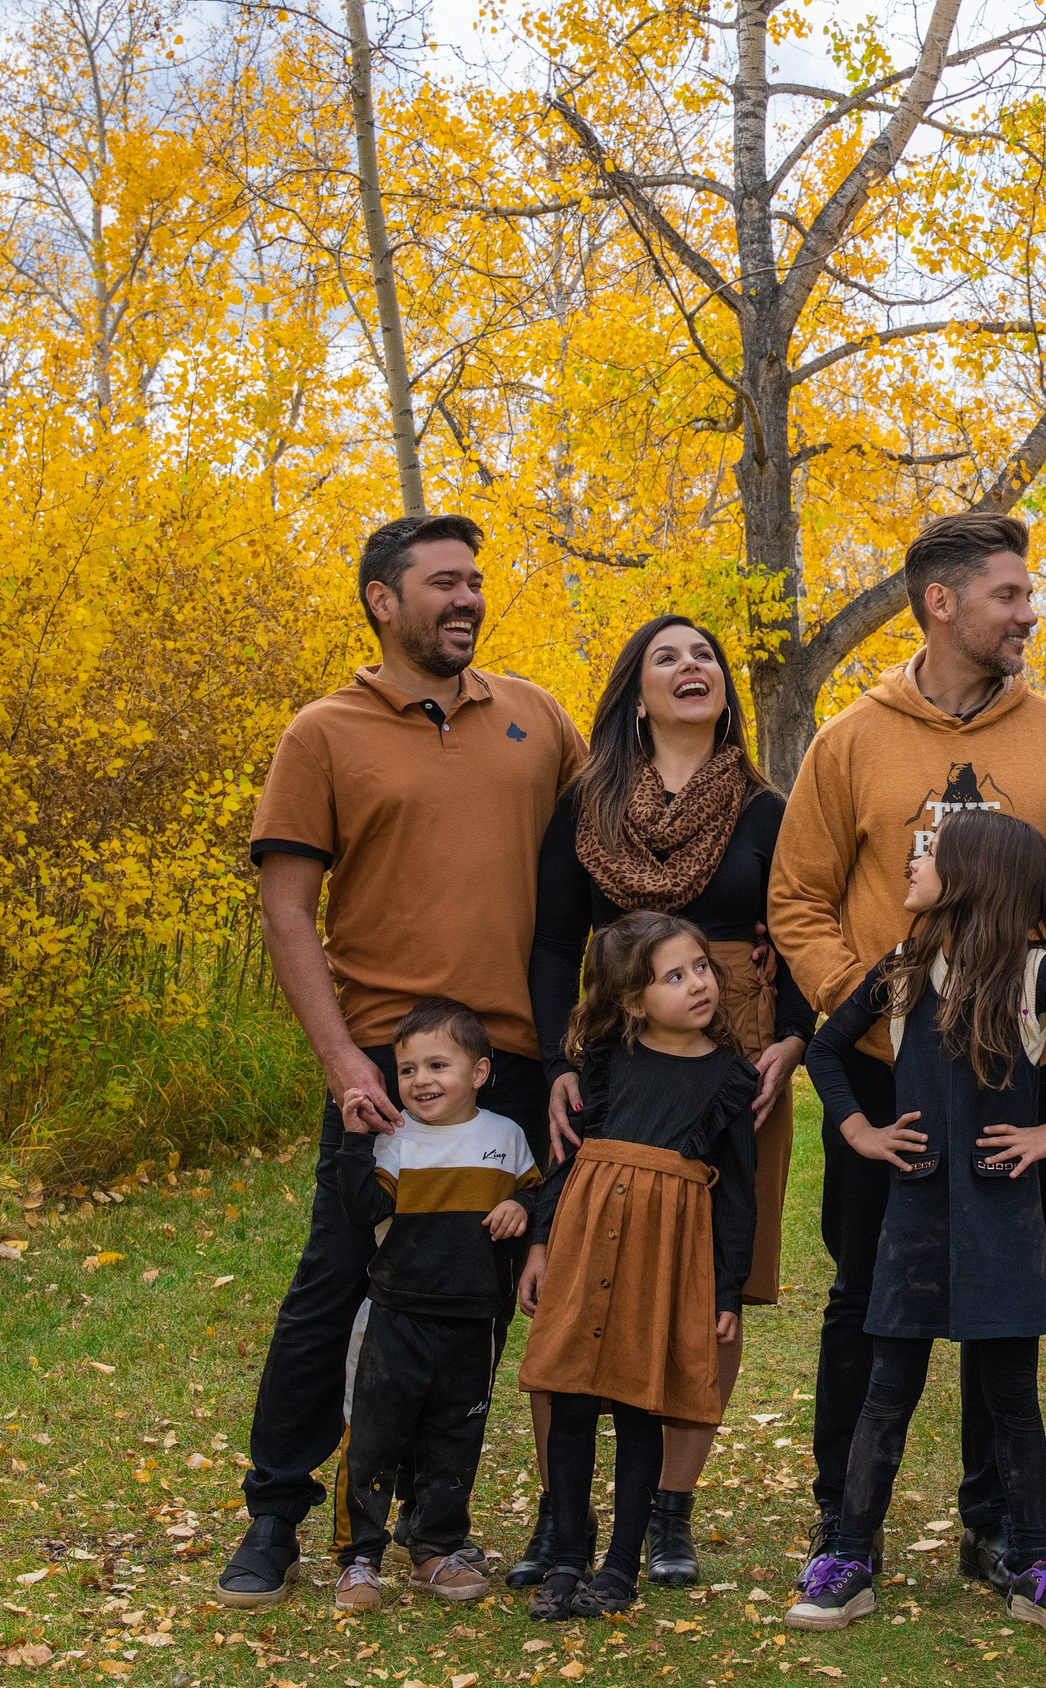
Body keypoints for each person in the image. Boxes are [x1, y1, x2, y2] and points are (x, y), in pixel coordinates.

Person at [225, 513, 584, 1607]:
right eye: (443, 583)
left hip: (514, 1064)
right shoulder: (323, 733)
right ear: (384, 600)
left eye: (475, 581)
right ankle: (276, 1514)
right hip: (389, 1068)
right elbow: (288, 911)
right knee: (337, 1286)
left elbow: (616, 835)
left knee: (479, 1296)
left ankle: (449, 1529)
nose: (468, 599)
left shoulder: (534, 717)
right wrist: (345, 1063)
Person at [767, 512, 1046, 1588]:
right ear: (942, 601)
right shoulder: (852, 739)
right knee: (864, 1293)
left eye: (1028, 594)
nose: (1029, 611)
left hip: (1006, 1073)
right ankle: (844, 1523)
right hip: (889, 1075)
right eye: (1010, 594)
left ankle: (993, 1527)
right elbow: (799, 899)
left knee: (994, 1302)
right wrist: (874, 1015)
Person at [784, 811, 1046, 1637]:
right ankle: (847, 1559)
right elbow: (825, 1050)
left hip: (999, 1225)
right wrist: (859, 1133)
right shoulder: (906, 968)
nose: (914, 860)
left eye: (931, 853)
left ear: (975, 877)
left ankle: (1031, 1566)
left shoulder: (1035, 976)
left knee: (1012, 1397)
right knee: (887, 1392)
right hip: (913, 1221)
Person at [526, 614, 813, 1589]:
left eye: (706, 656)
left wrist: (792, 1038)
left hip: (737, 1055)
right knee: (578, 1265)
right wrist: (555, 1064)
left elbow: (803, 925)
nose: (693, 667)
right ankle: (559, 1512)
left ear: (724, 689)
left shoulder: (769, 809)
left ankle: (669, 1511)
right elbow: (551, 942)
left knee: (708, 1287)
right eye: (668, 656)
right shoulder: (589, 805)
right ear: (634, 691)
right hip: (615, 1054)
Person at [516, 914, 760, 1622]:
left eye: (702, 967)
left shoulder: (729, 1080)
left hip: (663, 1257)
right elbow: (567, 1157)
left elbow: (739, 1195)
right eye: (674, 976)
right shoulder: (604, 1058)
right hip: (585, 1242)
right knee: (570, 1401)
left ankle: (620, 1566)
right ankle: (566, 1556)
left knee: (637, 1404)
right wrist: (539, 1242)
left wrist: (726, 1289)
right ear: (631, 1000)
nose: (698, 984)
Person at [327, 998, 545, 1613]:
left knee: (456, 1436)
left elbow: (537, 1196)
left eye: (438, 1066)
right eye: (408, 1070)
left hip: (475, 1319)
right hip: (396, 1315)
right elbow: (362, 1212)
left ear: (479, 1072)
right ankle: (358, 1560)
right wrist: (354, 1139)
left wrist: (523, 1211)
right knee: (373, 1436)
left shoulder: (506, 1137)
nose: (421, 1081)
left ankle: (433, 1547)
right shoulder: (397, 1140)